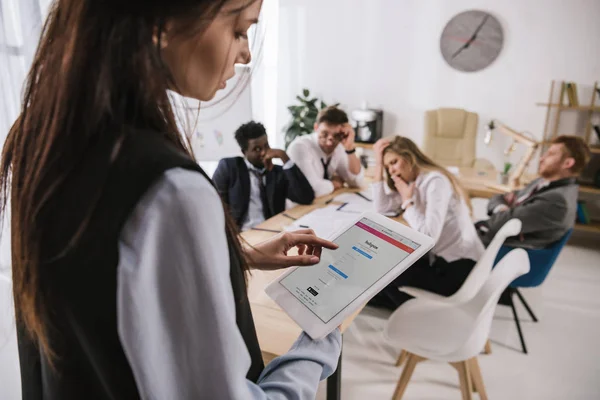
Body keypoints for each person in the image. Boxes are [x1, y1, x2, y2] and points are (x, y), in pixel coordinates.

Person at [1, 1, 343, 399]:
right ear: (161, 22)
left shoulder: (37, 139)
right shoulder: (170, 188)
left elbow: (103, 276)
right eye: (239, 30)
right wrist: (316, 345)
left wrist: (237, 253)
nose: (246, 53)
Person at [368, 136, 484, 309]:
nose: (391, 171)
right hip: (441, 259)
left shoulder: (435, 182)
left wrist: (408, 202)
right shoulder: (412, 182)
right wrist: (378, 164)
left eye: (394, 162)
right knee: (383, 267)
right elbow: (381, 207)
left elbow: (429, 236)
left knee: (384, 273)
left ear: (409, 157)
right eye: (387, 167)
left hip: (460, 269)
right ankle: (399, 305)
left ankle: (417, 315)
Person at [477, 135, 590, 249]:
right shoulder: (542, 182)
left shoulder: (557, 201)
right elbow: (499, 197)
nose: (541, 158)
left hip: (497, 251)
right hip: (489, 237)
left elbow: (499, 223)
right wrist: (504, 210)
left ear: (567, 163)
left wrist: (503, 210)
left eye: (550, 154)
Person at [213, 121, 314, 230]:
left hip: (273, 230)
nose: (264, 152)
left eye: (266, 146)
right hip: (243, 234)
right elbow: (215, 205)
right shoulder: (229, 167)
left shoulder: (276, 172)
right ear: (244, 152)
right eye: (257, 149)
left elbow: (306, 198)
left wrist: (284, 157)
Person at [287, 106, 364, 197]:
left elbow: (356, 182)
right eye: (324, 134)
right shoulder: (300, 147)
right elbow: (312, 190)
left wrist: (350, 148)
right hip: (296, 209)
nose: (329, 142)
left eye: (336, 135)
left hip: (320, 204)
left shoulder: (339, 147)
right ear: (316, 127)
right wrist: (334, 183)